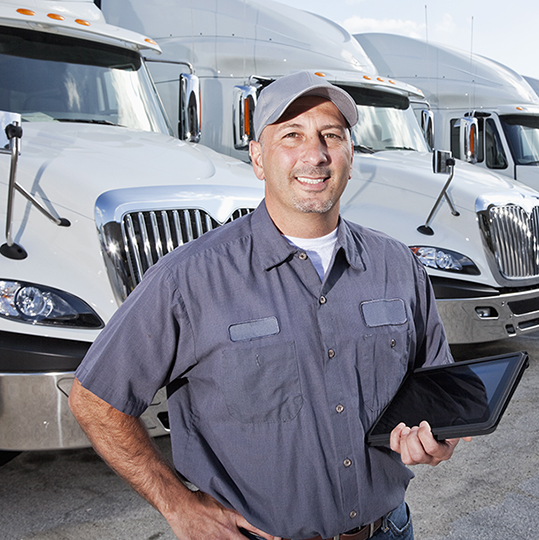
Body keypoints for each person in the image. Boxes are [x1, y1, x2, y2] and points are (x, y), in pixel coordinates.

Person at [68, 70, 464, 540]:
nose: (314, 155)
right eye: (291, 135)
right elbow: (94, 399)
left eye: (330, 136)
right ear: (257, 158)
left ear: (351, 157)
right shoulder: (190, 279)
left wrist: (441, 439)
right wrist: (178, 506)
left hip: (388, 530)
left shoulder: (398, 266)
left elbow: (441, 395)